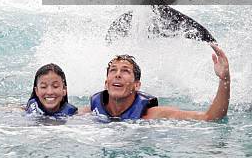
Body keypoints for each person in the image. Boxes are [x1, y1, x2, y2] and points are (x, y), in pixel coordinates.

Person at [81, 43, 230, 121]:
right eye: (113, 70)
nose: (118, 75)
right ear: (106, 83)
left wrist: (225, 79)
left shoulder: (152, 115)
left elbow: (210, 117)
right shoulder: (90, 113)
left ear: (136, 85)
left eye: (125, 71)